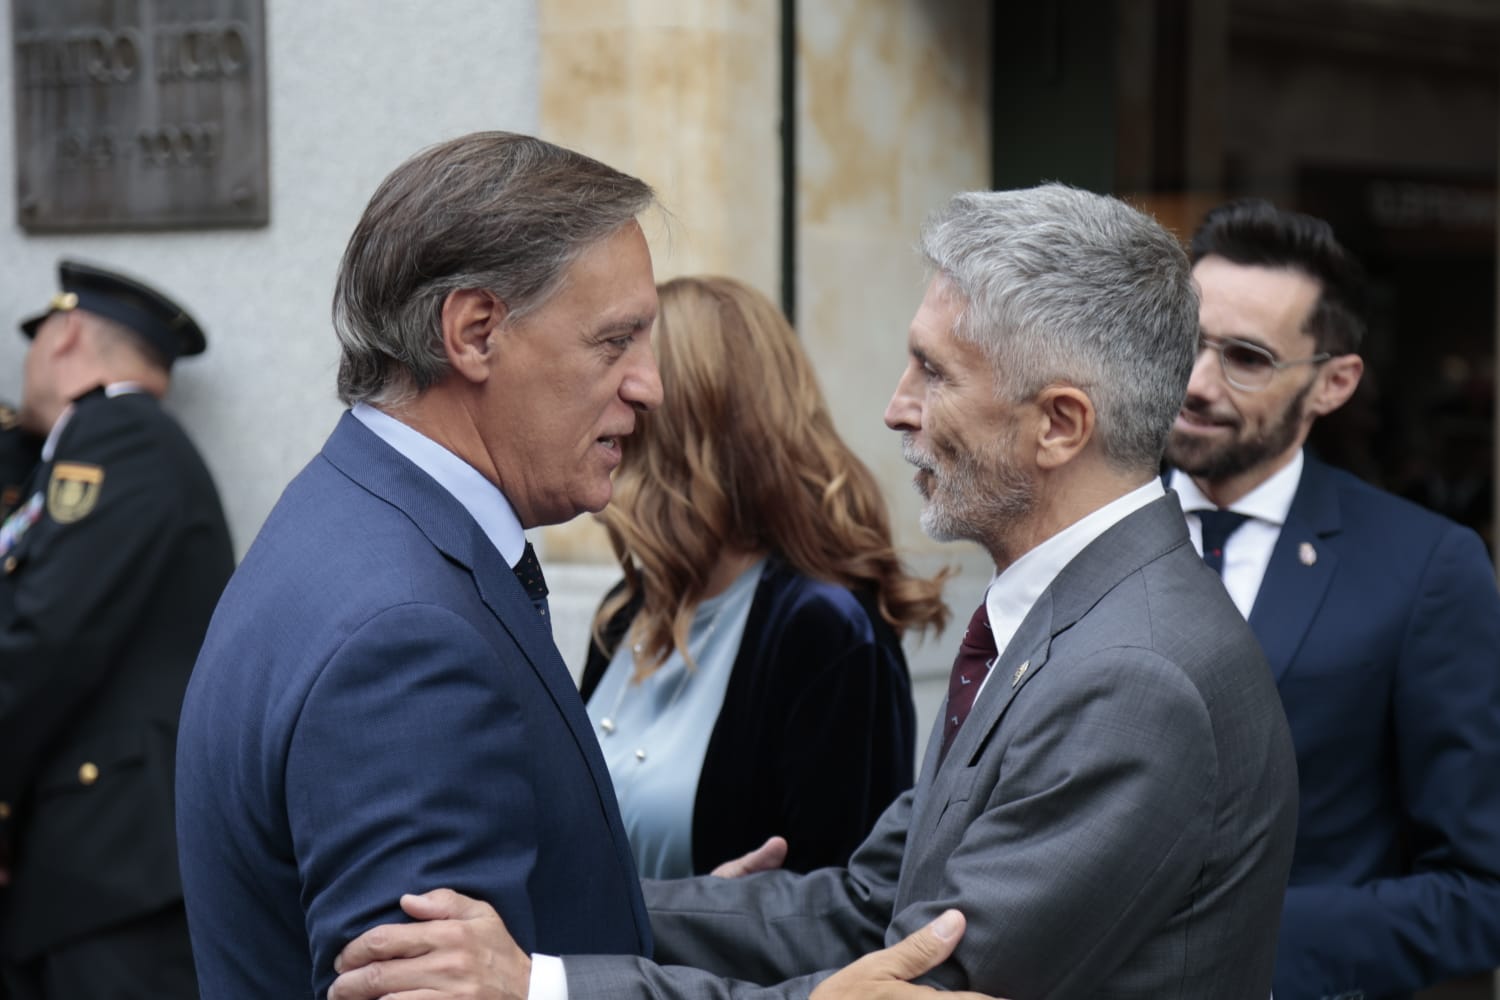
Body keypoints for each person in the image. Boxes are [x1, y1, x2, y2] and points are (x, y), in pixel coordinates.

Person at [329, 183, 1301, 1000]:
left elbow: (918, 983)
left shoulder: (1134, 677)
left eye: (933, 372)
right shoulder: (1069, 621)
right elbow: (868, 904)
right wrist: (553, 911)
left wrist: (540, 985)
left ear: (1059, 425)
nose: (895, 407)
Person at [174, 131, 670, 999]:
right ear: (475, 333)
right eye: (614, 341)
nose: (648, 384)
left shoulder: (348, 514)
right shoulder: (409, 636)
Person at [1164, 198, 1500, 1000]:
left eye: (1246, 358)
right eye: (1184, 342)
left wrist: (1231, 952)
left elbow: (1479, 890)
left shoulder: (1425, 568)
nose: (1197, 383)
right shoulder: (1079, 521)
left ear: (1334, 383)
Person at [581, 274, 947, 878]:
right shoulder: (628, 608)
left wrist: (700, 915)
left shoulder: (824, 628)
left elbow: (847, 901)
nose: (617, 397)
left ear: (686, 416)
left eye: (632, 367)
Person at [0, 260, 234, 1000]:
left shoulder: (118, 436)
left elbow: (44, 637)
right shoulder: (110, 444)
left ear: (66, 335)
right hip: (95, 867)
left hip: (112, 868)